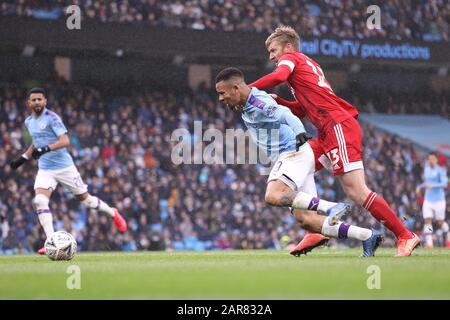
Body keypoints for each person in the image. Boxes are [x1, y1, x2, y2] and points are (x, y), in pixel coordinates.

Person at [248, 25, 418, 257]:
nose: (271, 56)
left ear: (287, 47)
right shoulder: (306, 66)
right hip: (327, 132)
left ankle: (405, 235)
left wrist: (248, 90)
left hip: (338, 126)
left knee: (356, 191)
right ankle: (313, 229)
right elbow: (303, 109)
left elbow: (278, 76)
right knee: (296, 168)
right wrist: (280, 101)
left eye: (273, 50)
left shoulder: (291, 58)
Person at [215, 67, 382, 257]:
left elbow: (285, 113)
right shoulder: (244, 102)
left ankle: (331, 207)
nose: (220, 98)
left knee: (273, 195)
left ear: (236, 88)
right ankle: (367, 235)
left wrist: (299, 130)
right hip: (291, 156)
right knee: (307, 221)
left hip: (292, 153)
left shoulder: (259, 102)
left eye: (222, 93)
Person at [9, 87, 127, 254]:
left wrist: (45, 150)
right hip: (45, 170)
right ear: (29, 103)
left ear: (45, 101)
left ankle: (112, 212)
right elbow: (37, 141)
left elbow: (65, 141)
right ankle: (51, 242)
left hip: (65, 168)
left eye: (39, 99)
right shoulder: (29, 122)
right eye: (33, 100)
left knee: (86, 200)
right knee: (40, 201)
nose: (37, 102)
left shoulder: (52, 118)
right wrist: (23, 158)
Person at [416, 152, 449, 248]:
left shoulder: (441, 170)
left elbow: (444, 184)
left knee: (440, 221)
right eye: (429, 159)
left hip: (439, 200)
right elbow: (427, 182)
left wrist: (433, 185)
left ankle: (448, 237)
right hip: (428, 199)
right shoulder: (426, 170)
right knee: (427, 220)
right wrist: (420, 187)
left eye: (432, 159)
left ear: (436, 160)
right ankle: (429, 243)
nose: (430, 160)